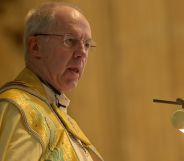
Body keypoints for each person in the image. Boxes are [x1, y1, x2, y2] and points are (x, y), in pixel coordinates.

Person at [0, 2, 103, 161]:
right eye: (70, 41)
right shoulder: (22, 109)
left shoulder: (59, 116)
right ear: (35, 47)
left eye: (87, 44)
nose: (82, 53)